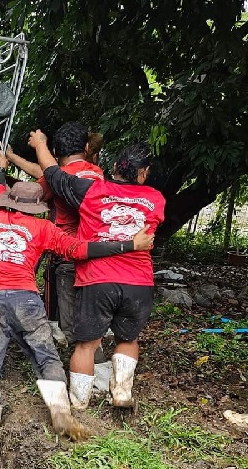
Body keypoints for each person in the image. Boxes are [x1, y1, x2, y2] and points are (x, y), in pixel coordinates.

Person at [0, 153, 155, 457]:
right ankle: (61, 416)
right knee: (46, 357)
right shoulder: (44, 230)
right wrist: (129, 245)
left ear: (9, 203)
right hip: (27, 301)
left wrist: (1, 167)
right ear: (37, 207)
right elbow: (81, 249)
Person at [29, 131, 165, 411]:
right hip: (138, 281)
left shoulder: (91, 191)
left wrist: (41, 144)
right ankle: (122, 394)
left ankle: (79, 403)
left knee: (86, 345)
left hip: (97, 279)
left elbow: (53, 173)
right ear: (143, 174)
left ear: (113, 167)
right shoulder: (156, 198)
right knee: (128, 338)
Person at [5, 123, 110, 392]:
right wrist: (16, 157)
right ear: (86, 149)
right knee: (92, 314)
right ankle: (105, 376)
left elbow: (40, 185)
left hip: (67, 255)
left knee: (75, 324)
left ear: (52, 150)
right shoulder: (96, 173)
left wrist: (3, 178)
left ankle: (87, 385)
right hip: (98, 256)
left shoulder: (59, 177)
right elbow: (46, 172)